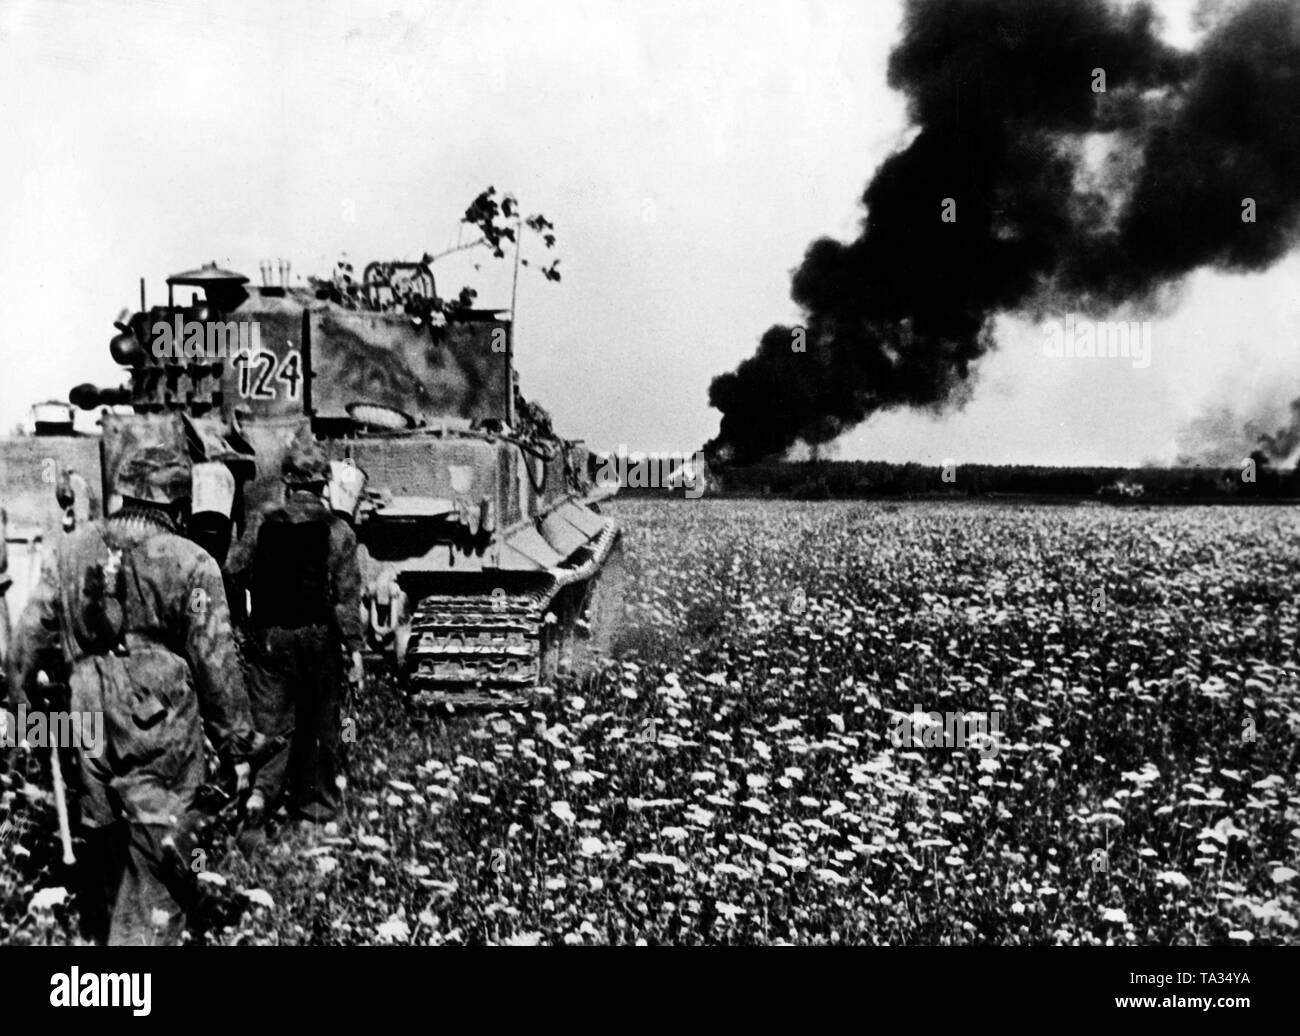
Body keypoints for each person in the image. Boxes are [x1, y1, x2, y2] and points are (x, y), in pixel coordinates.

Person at [5, 441, 254, 946]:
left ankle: (110, 941)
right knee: (162, 857)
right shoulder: (193, 562)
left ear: (123, 492)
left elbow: (25, 646)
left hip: (85, 720)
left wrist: (28, 722)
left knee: (107, 845)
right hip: (157, 726)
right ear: (179, 505)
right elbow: (215, 659)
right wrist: (238, 747)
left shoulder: (69, 550)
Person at [240, 433, 362, 829]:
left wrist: (245, 622)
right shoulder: (338, 530)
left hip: (269, 636)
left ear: (287, 483)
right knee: (319, 725)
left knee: (271, 722)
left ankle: (260, 796)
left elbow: (233, 568)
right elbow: (345, 599)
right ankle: (315, 811)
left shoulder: (261, 521)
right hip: (317, 639)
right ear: (325, 484)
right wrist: (355, 650)